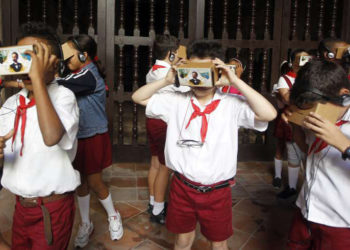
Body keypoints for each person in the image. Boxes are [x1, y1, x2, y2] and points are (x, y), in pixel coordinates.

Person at [132, 40, 276, 250]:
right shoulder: (176, 101)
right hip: (182, 186)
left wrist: (234, 82)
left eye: (206, 72)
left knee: (218, 243)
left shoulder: (230, 105)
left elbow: (269, 114)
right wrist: (167, 81)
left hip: (217, 192)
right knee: (182, 240)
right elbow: (138, 97)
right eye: (193, 71)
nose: (199, 79)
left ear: (218, 71)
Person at [0, 22, 80, 250]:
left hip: (52, 209)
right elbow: (9, 156)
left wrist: (38, 79)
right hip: (21, 207)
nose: (28, 67)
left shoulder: (64, 97)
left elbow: (51, 136)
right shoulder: (12, 103)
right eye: (22, 59)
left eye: (35, 60)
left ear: (54, 66)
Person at [56, 34, 123, 247]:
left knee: (94, 182)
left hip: (93, 136)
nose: (65, 60)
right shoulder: (76, 72)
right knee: (80, 183)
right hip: (77, 136)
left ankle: (113, 215)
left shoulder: (88, 75)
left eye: (69, 55)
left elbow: (58, 84)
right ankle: (86, 223)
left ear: (84, 55)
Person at [283, 60, 350, 249]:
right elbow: (309, 150)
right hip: (306, 209)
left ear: (343, 96)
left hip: (340, 223)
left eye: (316, 107)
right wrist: (295, 125)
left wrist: (343, 144)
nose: (313, 115)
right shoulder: (320, 114)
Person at [144, 34, 189, 225]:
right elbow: (188, 90)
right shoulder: (169, 73)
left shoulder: (153, 69)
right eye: (177, 51)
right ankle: (158, 210)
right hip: (164, 124)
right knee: (166, 166)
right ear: (171, 54)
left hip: (153, 120)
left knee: (155, 163)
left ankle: (153, 201)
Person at [271, 49, 309, 200]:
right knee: (292, 153)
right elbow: (286, 99)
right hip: (291, 119)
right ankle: (292, 186)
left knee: (309, 156)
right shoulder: (285, 79)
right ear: (292, 62)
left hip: (309, 120)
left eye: (307, 59)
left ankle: (308, 188)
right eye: (300, 59)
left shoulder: (312, 78)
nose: (303, 62)